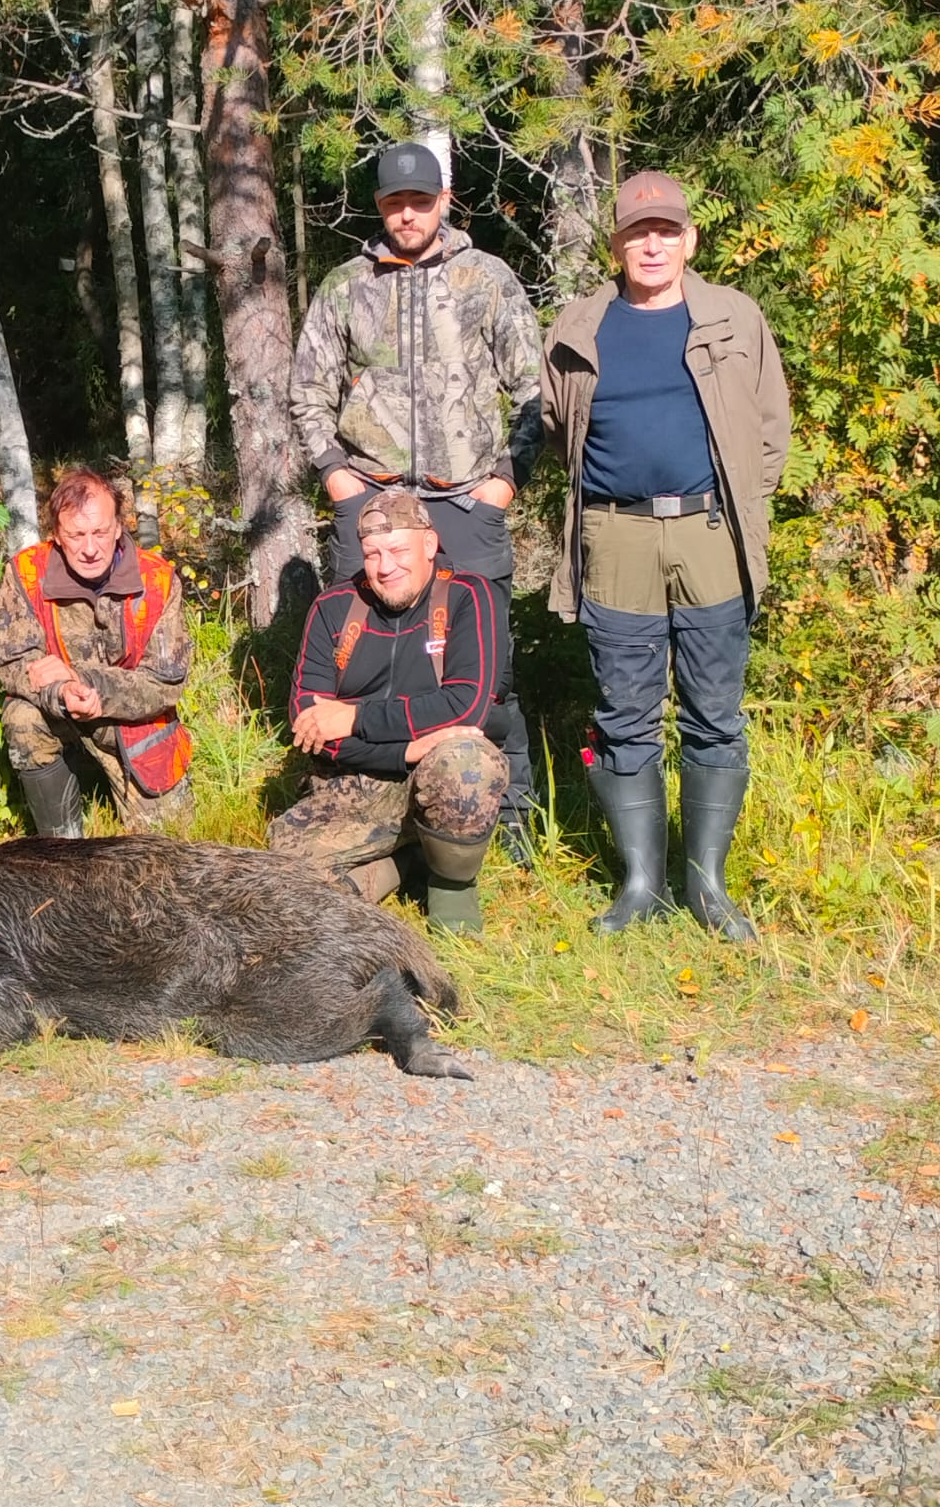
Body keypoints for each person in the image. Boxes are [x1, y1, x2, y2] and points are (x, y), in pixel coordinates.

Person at [542, 171, 791, 939]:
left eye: (666, 231)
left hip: (710, 533)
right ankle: (642, 885)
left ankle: (707, 886)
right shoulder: (579, 327)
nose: (652, 245)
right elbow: (556, 427)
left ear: (690, 240)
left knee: (715, 712)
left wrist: (737, 504)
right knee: (625, 714)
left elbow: (770, 428)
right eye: (636, 233)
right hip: (615, 537)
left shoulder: (734, 317)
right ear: (615, 245)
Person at [290, 141, 543, 846]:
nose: (408, 214)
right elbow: (307, 391)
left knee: (491, 669)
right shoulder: (346, 285)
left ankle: (510, 816)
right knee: (363, 654)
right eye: (395, 202)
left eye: (420, 201)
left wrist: (503, 484)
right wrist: (339, 481)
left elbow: (535, 392)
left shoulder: (485, 279)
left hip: (466, 501)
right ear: (380, 206)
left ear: (444, 202)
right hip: (370, 499)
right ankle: (362, 801)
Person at [268, 490, 510, 931]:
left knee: (466, 759)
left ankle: (452, 887)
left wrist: (353, 718)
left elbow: (466, 706)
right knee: (284, 873)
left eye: (398, 551)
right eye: (372, 554)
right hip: (352, 780)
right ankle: (405, 864)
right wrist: (405, 750)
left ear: (429, 545)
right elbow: (309, 724)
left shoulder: (469, 596)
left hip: (437, 774)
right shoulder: (333, 608)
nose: (384, 567)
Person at [0, 467, 193, 835]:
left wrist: (87, 683)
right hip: (58, 711)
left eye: (100, 532)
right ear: (56, 535)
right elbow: (13, 662)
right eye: (76, 535)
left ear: (118, 527)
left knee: (169, 845)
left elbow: (165, 683)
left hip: (132, 724)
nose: (90, 549)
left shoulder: (158, 580)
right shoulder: (26, 573)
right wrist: (62, 691)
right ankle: (62, 846)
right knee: (22, 717)